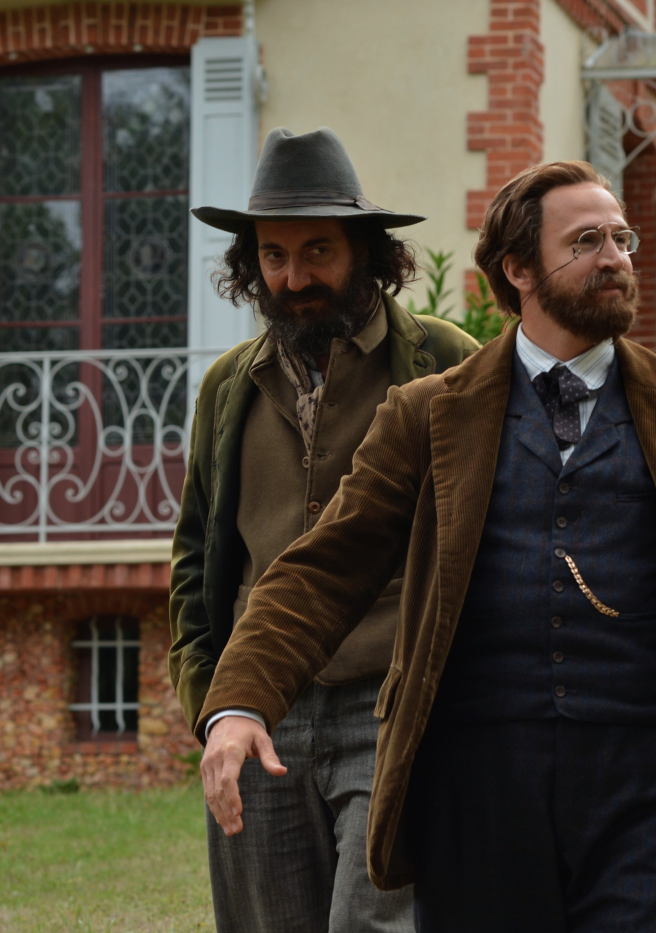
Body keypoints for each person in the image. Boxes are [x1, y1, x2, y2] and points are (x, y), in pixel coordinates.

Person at [197, 160, 656, 932]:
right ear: (518, 270)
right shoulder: (429, 416)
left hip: (653, 793)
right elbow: (325, 568)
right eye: (586, 242)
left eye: (621, 239)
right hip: (476, 793)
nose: (614, 258)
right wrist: (240, 700)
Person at [168, 126, 479, 933]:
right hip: (258, 710)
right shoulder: (227, 387)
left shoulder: (444, 362)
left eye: (317, 251)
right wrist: (212, 702)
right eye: (273, 255)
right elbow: (196, 557)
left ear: (365, 251)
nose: (294, 277)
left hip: (392, 705)